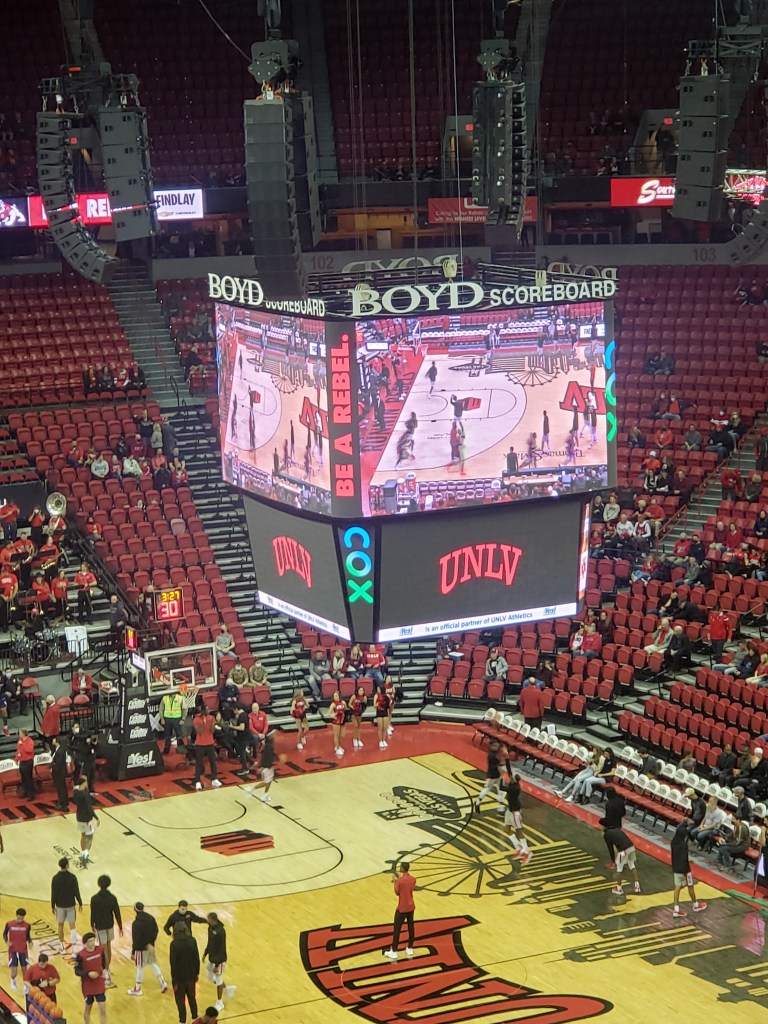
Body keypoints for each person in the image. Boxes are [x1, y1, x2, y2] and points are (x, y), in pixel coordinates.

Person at [127, 902, 167, 996]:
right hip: (150, 946)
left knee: (140, 967)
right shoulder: (151, 918)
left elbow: (136, 939)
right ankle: (162, 982)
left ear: (135, 909)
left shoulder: (136, 923)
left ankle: (137, 989)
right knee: (152, 964)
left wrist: (133, 952)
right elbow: (156, 930)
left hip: (141, 948)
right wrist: (151, 942)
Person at [671, 820, 707, 917]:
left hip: (675, 868)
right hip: (685, 870)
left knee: (677, 887)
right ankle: (695, 905)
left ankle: (676, 909)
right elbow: (683, 859)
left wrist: (685, 821)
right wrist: (685, 872)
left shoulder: (673, 842)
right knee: (690, 886)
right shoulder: (683, 845)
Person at [90, 876, 121, 986]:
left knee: (103, 949)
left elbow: (93, 913)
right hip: (109, 925)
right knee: (108, 947)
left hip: (100, 926)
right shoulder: (112, 897)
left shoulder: (94, 898)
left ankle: (106, 971)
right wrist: (120, 925)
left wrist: (91, 924)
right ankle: (108, 968)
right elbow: (117, 912)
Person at [383, 862, 416, 961]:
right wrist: (400, 879)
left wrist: (395, 881)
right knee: (411, 927)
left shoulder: (400, 881)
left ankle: (394, 951)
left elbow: (397, 892)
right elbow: (409, 887)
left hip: (402, 908)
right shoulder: (413, 879)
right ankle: (410, 948)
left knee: (397, 929)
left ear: (402, 868)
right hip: (411, 906)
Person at [170, 921, 200, 1024]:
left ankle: (182, 1021)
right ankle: (195, 1018)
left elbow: (173, 963)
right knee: (192, 998)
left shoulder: (174, 944)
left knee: (180, 1000)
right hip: (191, 976)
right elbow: (196, 958)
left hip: (179, 978)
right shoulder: (192, 941)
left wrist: (174, 978)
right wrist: (197, 973)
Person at [74, 932, 108, 1024]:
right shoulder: (80, 955)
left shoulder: (100, 949)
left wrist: (104, 969)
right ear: (85, 943)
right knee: (88, 1008)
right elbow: (77, 971)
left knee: (103, 1008)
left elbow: (104, 960)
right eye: (90, 941)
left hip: (99, 983)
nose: (92, 943)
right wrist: (88, 974)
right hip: (88, 986)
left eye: (93, 940)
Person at [51, 857, 82, 951]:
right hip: (70, 905)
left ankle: (62, 946)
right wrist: (80, 902)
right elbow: (76, 891)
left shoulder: (55, 878)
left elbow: (53, 893)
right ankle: (74, 948)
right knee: (72, 926)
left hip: (60, 905)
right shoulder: (72, 877)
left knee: (60, 925)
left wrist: (52, 905)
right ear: (67, 865)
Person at [503, 772, 532, 864]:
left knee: (519, 832)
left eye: (512, 778)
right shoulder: (512, 784)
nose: (510, 778)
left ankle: (527, 852)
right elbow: (509, 772)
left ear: (514, 780)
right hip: (509, 810)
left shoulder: (514, 788)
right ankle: (518, 848)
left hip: (515, 813)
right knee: (507, 829)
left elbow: (501, 787)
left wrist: (500, 778)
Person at [474, 739, 509, 814]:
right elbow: (501, 764)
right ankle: (477, 803)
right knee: (487, 790)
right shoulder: (492, 756)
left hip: (497, 775)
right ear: (490, 746)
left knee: (501, 791)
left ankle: (501, 808)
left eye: (497, 746)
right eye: (495, 746)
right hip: (492, 776)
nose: (497, 747)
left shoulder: (495, 752)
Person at [192, 705, 222, 791]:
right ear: (202, 711)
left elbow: (212, 730)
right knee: (199, 763)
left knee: (213, 762)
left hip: (210, 743)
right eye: (207, 710)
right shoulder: (196, 719)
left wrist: (211, 723)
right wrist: (204, 723)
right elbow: (199, 731)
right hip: (200, 744)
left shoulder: (211, 718)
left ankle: (214, 779)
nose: (208, 711)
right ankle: (197, 781)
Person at [202, 912, 228, 1013]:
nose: (207, 921)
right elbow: (209, 942)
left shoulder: (221, 931)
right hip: (212, 958)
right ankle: (225, 987)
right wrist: (205, 953)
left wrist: (217, 965)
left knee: (218, 978)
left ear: (213, 920)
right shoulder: (210, 928)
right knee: (209, 976)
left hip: (219, 960)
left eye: (209, 919)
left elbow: (221, 948)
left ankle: (220, 1002)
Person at [245, 730, 278, 803]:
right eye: (273, 734)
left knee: (269, 781)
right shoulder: (268, 746)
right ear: (270, 736)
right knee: (266, 782)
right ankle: (252, 789)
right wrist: (262, 767)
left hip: (269, 766)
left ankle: (265, 794)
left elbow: (270, 756)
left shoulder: (269, 743)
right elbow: (266, 757)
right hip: (267, 766)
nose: (275, 735)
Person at [606, 828, 641, 896]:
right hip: (631, 847)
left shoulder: (609, 836)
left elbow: (614, 848)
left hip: (623, 851)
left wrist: (615, 861)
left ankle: (619, 889)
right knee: (632, 865)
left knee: (619, 869)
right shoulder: (618, 831)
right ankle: (637, 886)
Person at [4, 908, 31, 992]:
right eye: (19, 916)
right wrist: (7, 941)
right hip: (13, 950)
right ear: (16, 915)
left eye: (22, 917)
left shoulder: (27, 925)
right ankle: (13, 981)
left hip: (23, 950)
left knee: (24, 970)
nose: (20, 918)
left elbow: (28, 936)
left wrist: (30, 941)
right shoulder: (9, 924)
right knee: (14, 972)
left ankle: (26, 984)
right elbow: (4, 934)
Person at [74, 777, 99, 865]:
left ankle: (82, 852)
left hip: (79, 817)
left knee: (83, 835)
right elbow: (89, 808)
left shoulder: (76, 793)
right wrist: (96, 818)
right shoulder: (86, 795)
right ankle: (86, 853)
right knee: (90, 837)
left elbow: (75, 787)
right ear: (84, 784)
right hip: (87, 819)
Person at [160, 689, 186, 755]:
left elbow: (185, 709)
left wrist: (183, 719)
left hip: (177, 719)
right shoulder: (165, 698)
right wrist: (162, 719)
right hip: (167, 719)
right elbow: (161, 709)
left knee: (179, 735)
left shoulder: (180, 698)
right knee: (167, 735)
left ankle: (181, 749)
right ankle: (166, 750)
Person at [50, 735, 69, 811]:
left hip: (59, 772)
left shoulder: (60, 751)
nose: (52, 740)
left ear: (57, 741)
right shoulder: (58, 749)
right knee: (62, 787)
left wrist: (53, 769)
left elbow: (58, 763)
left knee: (61, 788)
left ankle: (62, 803)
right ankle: (64, 801)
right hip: (60, 771)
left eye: (53, 739)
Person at [16, 727, 35, 801]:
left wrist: (23, 744)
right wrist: (16, 759)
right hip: (22, 761)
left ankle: (31, 794)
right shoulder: (20, 741)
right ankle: (25, 791)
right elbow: (18, 750)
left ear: (24, 734)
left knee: (28, 778)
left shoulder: (30, 741)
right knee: (23, 778)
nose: (19, 734)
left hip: (28, 762)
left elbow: (29, 750)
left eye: (20, 733)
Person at [329, 690, 347, 756]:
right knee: (336, 735)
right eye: (334, 696)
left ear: (339, 696)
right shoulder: (333, 704)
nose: (335, 697)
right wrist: (333, 715)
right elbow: (328, 714)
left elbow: (345, 710)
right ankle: (337, 748)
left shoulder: (343, 702)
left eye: (336, 696)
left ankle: (338, 745)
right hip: (336, 721)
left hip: (343, 720)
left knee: (342, 735)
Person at [374, 684, 391, 750]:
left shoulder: (386, 696)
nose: (378, 690)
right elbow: (374, 705)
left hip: (385, 712)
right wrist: (377, 705)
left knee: (384, 728)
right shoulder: (376, 695)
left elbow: (388, 705)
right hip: (379, 712)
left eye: (379, 689)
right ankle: (380, 741)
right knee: (380, 728)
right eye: (377, 689)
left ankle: (384, 740)